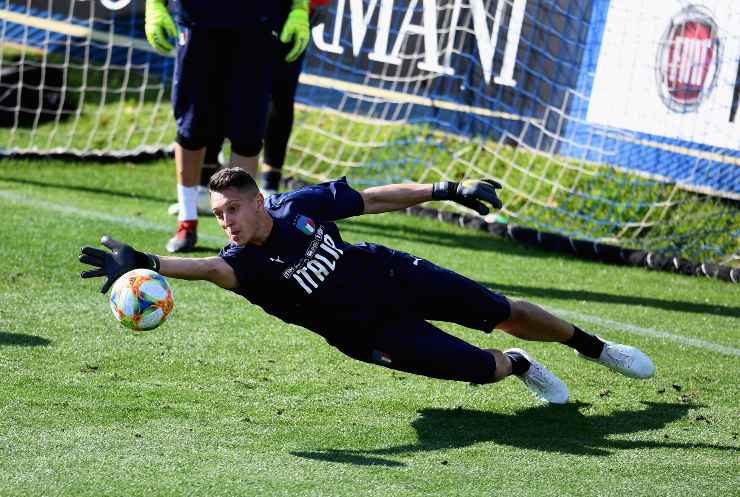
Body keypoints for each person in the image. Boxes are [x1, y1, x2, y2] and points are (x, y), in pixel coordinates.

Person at [79, 170, 655, 404]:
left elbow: (374, 198)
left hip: (391, 274)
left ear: (258, 200)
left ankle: (597, 349)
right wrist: (148, 262)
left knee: (500, 307)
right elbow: (204, 268)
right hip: (370, 332)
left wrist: (445, 188)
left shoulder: (298, 205)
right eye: (218, 214)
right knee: (484, 369)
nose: (225, 221)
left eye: (232, 209)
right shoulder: (241, 266)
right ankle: (521, 365)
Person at [144, 0, 310, 252]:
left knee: (248, 131)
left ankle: (240, 236)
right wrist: (154, 4)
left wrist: (299, 8)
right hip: (196, 17)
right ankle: (187, 221)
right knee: (192, 126)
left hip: (259, 20)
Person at [165, 0, 333, 219]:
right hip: (215, 16)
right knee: (209, 98)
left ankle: (270, 188)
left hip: (275, 15)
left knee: (276, 94)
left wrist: (303, 8)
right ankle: (204, 187)